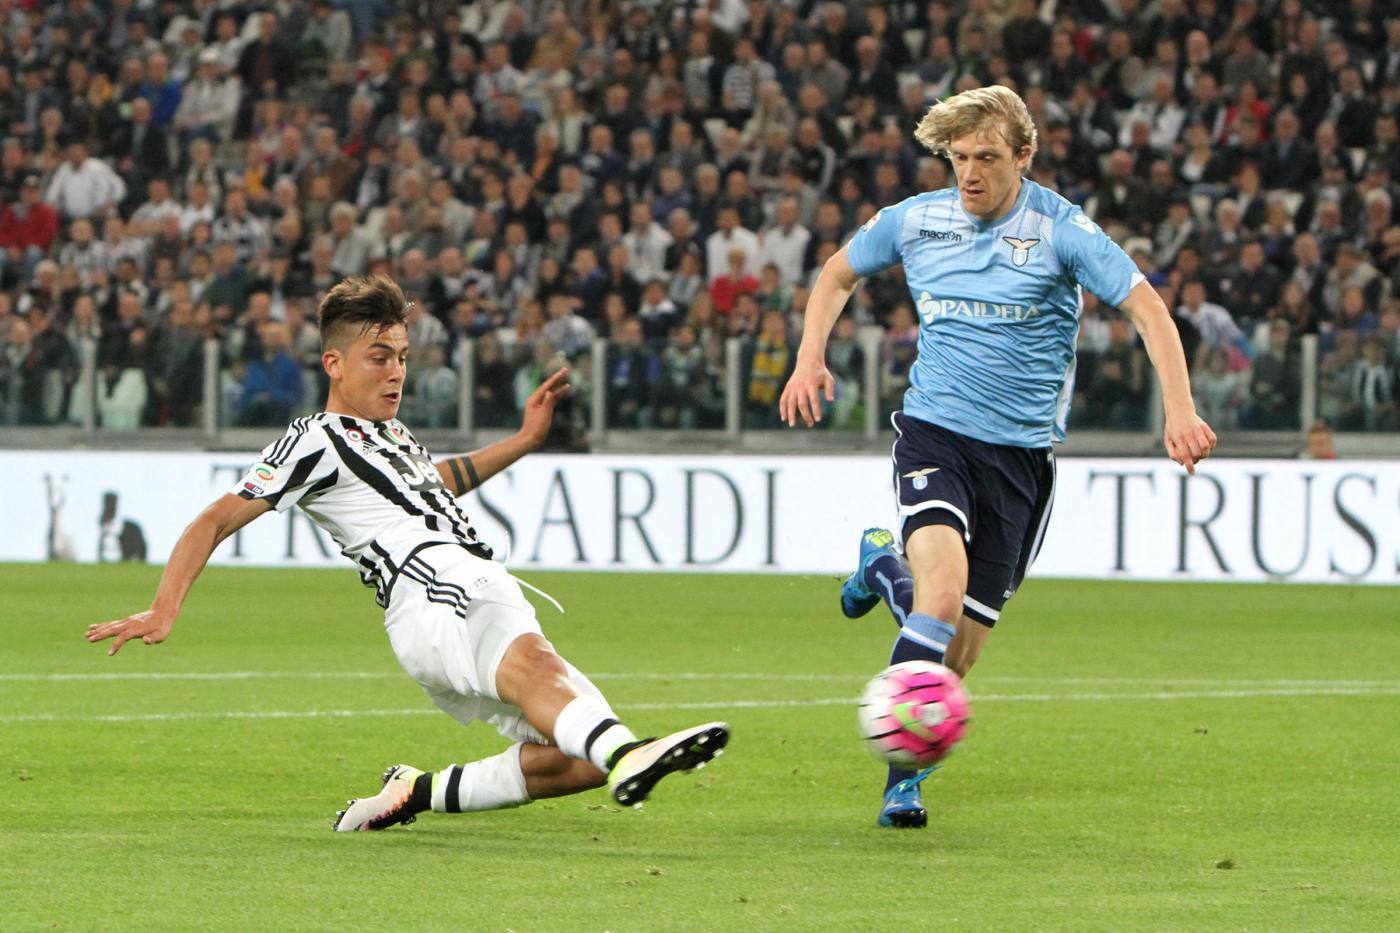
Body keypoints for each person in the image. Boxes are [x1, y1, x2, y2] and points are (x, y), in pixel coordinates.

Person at [87, 276, 728, 830]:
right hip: (431, 583)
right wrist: (164, 607)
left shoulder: (390, 432)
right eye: (378, 357)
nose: (395, 371)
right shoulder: (316, 438)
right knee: (551, 685)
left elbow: (435, 482)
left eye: (401, 356)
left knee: (575, 756)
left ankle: (414, 792)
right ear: (334, 364)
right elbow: (215, 518)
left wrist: (523, 440)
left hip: (456, 586)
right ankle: (629, 754)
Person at [778, 86, 1216, 829]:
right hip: (936, 434)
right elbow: (837, 274)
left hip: (1020, 461)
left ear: (1024, 156)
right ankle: (901, 782)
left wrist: (1179, 407)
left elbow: (1147, 308)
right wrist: (809, 356)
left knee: (958, 653)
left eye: (986, 157)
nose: (970, 174)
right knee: (941, 597)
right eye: (958, 158)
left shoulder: (1062, 231)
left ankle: (882, 568)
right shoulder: (917, 220)